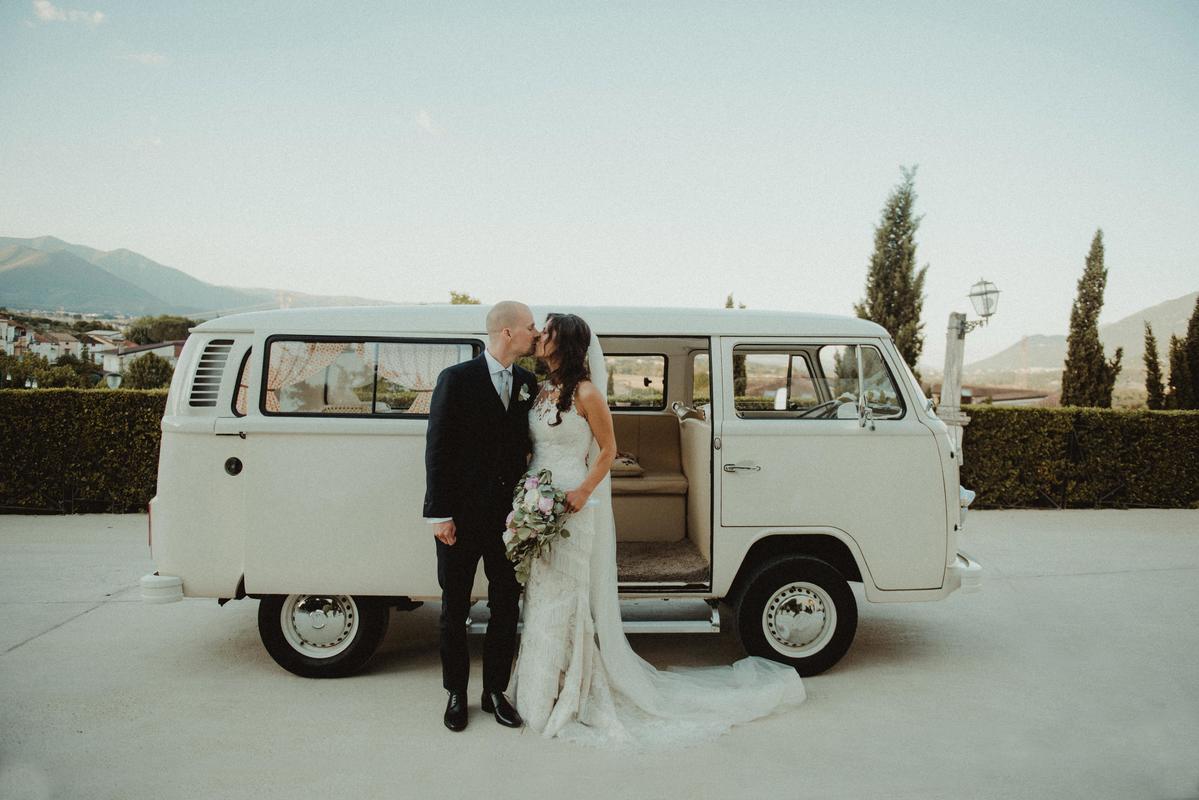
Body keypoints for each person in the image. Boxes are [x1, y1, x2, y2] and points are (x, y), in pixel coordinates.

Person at [510, 313, 805, 748]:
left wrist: (580, 493)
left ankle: (572, 691)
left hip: (572, 503)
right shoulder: (541, 390)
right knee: (541, 595)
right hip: (540, 497)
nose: (539, 336)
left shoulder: (587, 393)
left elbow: (608, 450)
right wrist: (528, 496)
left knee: (569, 598)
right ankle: (540, 690)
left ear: (565, 343)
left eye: (547, 331)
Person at [423, 300, 540, 732]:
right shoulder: (455, 379)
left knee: (506, 604)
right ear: (507, 332)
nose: (537, 333)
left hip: (511, 520)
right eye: (530, 327)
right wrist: (439, 513)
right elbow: (437, 449)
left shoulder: (529, 382)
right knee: (454, 607)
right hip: (460, 517)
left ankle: (495, 691)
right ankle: (456, 692)